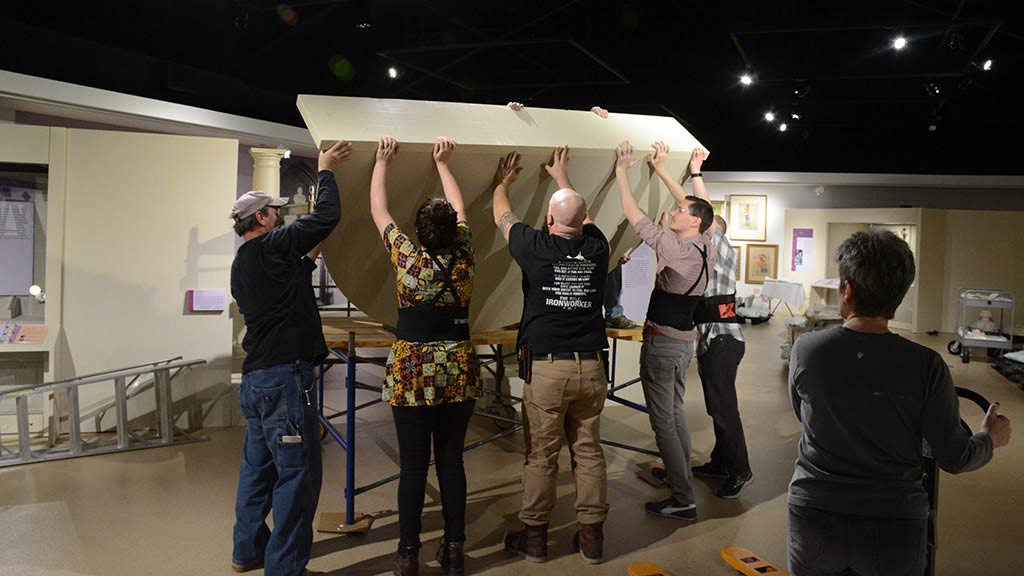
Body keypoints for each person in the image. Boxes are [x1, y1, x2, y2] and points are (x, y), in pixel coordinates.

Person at [787, 229, 1012, 575]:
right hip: (892, 522)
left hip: (815, 511)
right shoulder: (927, 365)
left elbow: (805, 415)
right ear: (900, 294)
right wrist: (989, 439)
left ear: (847, 290)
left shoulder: (808, 350)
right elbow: (954, 456)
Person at [230, 139, 353, 576]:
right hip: (285, 381)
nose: (280, 215)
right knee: (297, 478)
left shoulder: (244, 262)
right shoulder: (272, 246)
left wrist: (316, 245)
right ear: (260, 218)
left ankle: (247, 551)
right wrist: (326, 170)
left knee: (257, 472)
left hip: (257, 382)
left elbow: (295, 271)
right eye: (274, 211)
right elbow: (326, 217)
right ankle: (285, 569)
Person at [369, 136, 481, 576]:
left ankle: (407, 554)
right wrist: (443, 164)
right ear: (454, 229)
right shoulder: (465, 254)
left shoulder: (408, 257)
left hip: (412, 370)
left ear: (419, 231)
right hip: (457, 366)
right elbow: (460, 206)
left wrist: (381, 163)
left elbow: (379, 211)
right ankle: (454, 549)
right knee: (452, 460)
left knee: (413, 466)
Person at [494, 147, 610, 565]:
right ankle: (592, 539)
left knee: (542, 456)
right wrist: (563, 178)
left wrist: (502, 183)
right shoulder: (598, 250)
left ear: (548, 221)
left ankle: (536, 539)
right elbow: (586, 218)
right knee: (589, 452)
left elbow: (502, 218)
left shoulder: (535, 247)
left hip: (548, 368)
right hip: (592, 367)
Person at [613, 140, 716, 521]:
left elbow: (632, 212)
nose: (675, 210)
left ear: (693, 222)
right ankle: (683, 484)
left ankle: (682, 498)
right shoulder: (707, 243)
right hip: (682, 345)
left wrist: (623, 170)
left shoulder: (677, 249)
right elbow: (698, 208)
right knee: (674, 416)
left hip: (662, 346)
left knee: (664, 424)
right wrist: (660, 171)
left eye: (680, 212)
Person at [649, 145, 752, 499]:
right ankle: (721, 462)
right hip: (712, 337)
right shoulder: (703, 250)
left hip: (722, 337)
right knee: (715, 403)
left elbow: (698, 206)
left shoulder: (717, 244)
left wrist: (694, 174)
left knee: (723, 407)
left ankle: (740, 471)